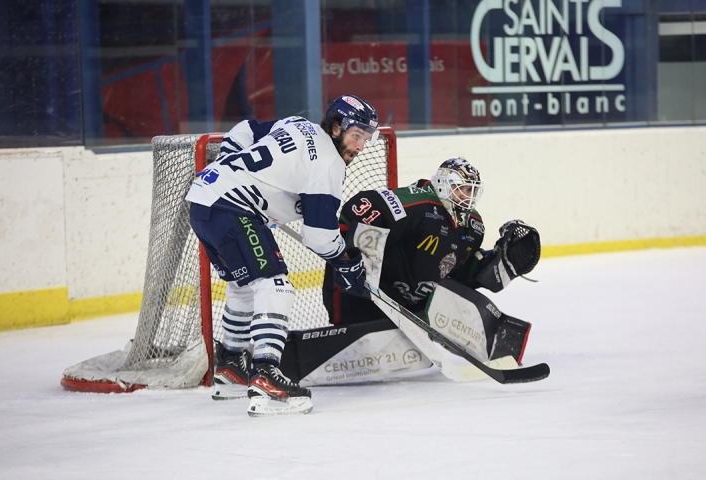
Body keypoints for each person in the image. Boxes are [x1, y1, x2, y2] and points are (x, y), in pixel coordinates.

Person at [185, 94, 378, 416]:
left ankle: (231, 367)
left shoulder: (296, 124)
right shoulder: (327, 165)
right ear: (335, 127)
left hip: (204, 202)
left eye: (366, 139)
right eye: (356, 135)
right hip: (231, 208)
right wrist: (345, 261)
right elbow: (318, 237)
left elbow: (245, 129)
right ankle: (265, 375)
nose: (360, 147)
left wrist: (230, 166)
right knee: (276, 286)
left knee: (245, 287)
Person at [322, 157, 540, 326]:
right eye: (462, 188)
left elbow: (459, 273)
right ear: (444, 184)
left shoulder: (474, 225)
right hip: (368, 294)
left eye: (472, 191)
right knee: (347, 265)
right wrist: (356, 254)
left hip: (409, 308)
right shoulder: (420, 202)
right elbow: (363, 205)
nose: (468, 196)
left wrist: (497, 263)